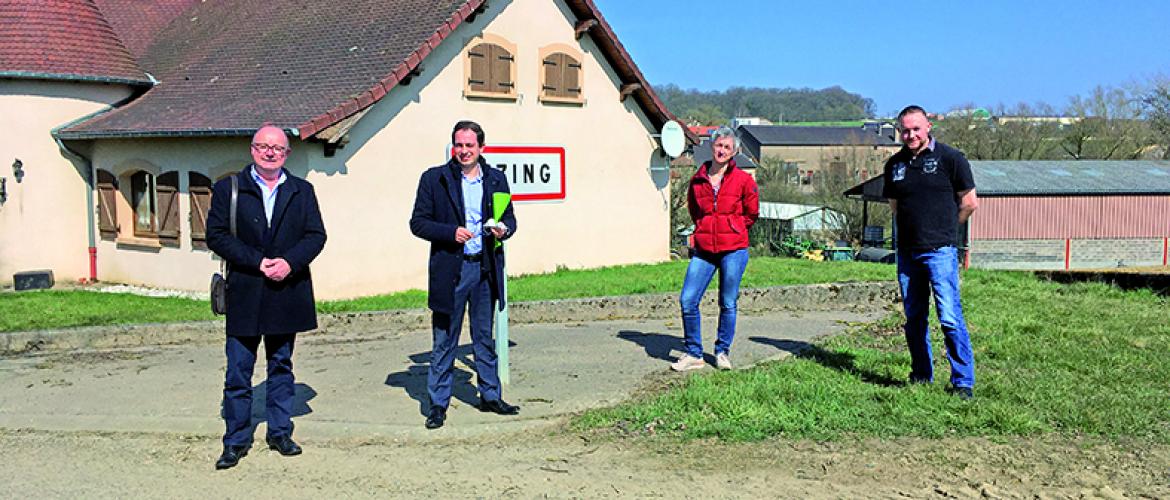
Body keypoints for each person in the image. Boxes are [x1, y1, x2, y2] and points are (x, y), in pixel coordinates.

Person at [206, 124, 327, 469]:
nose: (270, 152)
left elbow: (316, 235)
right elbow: (215, 235)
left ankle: (279, 432)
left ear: (287, 154)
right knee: (238, 372)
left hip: (285, 290)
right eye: (263, 146)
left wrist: (289, 262)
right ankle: (236, 440)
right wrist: (257, 262)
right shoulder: (228, 188)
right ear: (252, 150)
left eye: (277, 148)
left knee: (281, 366)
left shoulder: (303, 191)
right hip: (245, 290)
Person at [409, 120, 519, 429]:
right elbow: (418, 223)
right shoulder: (435, 179)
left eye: (470, 145)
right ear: (452, 146)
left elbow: (509, 217)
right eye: (459, 144)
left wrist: (503, 229)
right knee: (445, 340)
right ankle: (438, 404)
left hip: (484, 269)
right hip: (451, 271)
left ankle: (490, 396)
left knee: (484, 337)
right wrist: (449, 232)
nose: (464, 151)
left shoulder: (496, 179)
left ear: (481, 148)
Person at [882, 105, 979, 400]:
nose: (910, 135)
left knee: (949, 316)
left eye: (916, 129)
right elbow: (896, 207)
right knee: (914, 318)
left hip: (940, 251)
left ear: (928, 128)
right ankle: (921, 374)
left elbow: (969, 202)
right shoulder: (894, 165)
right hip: (908, 254)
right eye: (905, 130)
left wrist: (948, 230)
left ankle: (963, 381)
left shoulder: (952, 159)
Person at [672, 127, 759, 371]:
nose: (722, 151)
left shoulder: (744, 181)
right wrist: (704, 228)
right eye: (719, 145)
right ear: (712, 146)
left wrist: (733, 227)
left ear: (734, 152)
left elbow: (752, 213)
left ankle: (722, 352)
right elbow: (694, 210)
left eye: (727, 147)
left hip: (734, 249)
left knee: (727, 301)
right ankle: (693, 353)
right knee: (688, 299)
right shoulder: (698, 180)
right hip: (704, 249)